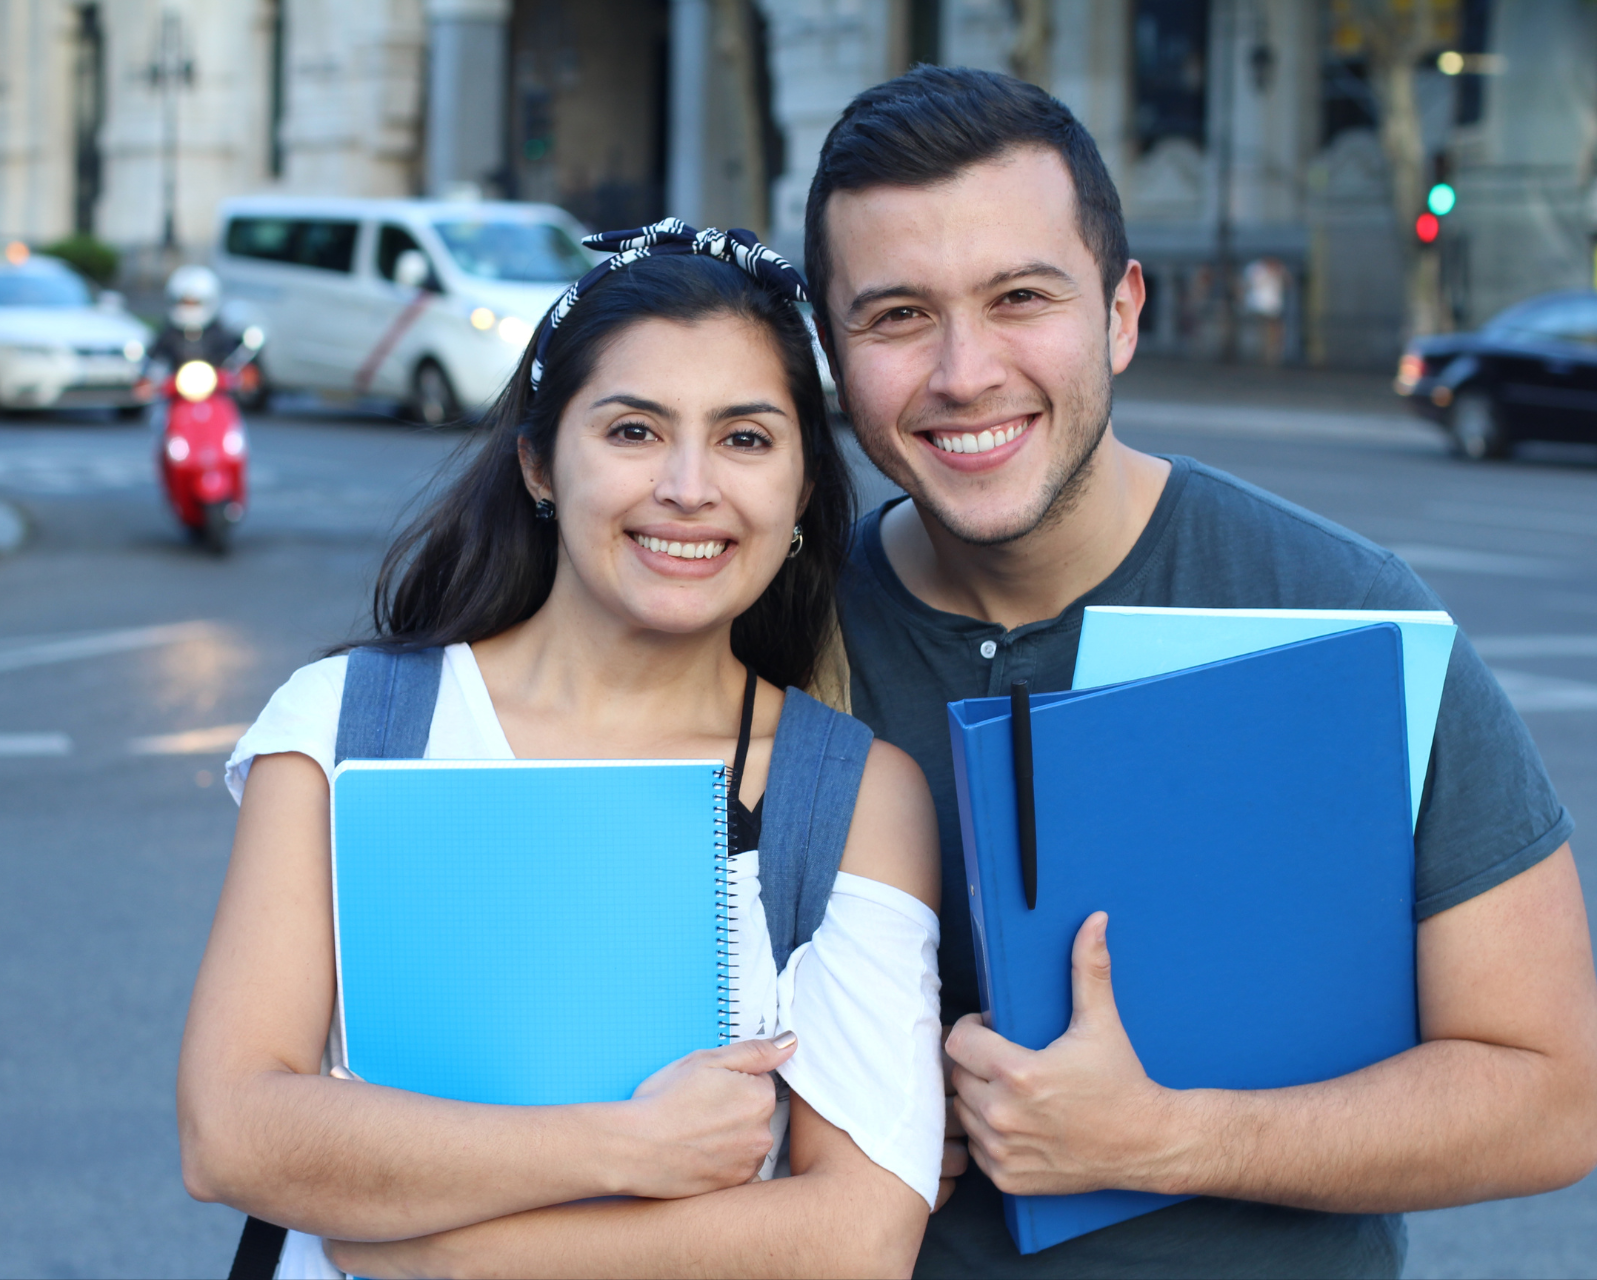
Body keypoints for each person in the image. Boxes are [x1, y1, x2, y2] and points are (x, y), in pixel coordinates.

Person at [806, 66, 1597, 1278]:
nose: (964, 370)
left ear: (1123, 310)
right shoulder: (776, 635)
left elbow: (1551, 1096)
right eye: (898, 315)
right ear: (834, 349)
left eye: (1022, 297)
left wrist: (1162, 1135)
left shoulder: (1342, 611)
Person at [178, 220, 946, 1279]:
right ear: (539, 461)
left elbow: (857, 1236)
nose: (689, 485)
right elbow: (231, 1131)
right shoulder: (348, 726)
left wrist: (442, 1252)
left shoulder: (847, 794)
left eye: (746, 437)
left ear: (803, 490)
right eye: (632, 431)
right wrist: (624, 1145)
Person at [150, 264, 245, 368]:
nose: (189, 308)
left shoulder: (218, 333)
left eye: (195, 303)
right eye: (185, 302)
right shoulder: (169, 334)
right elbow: (155, 358)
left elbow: (230, 356)